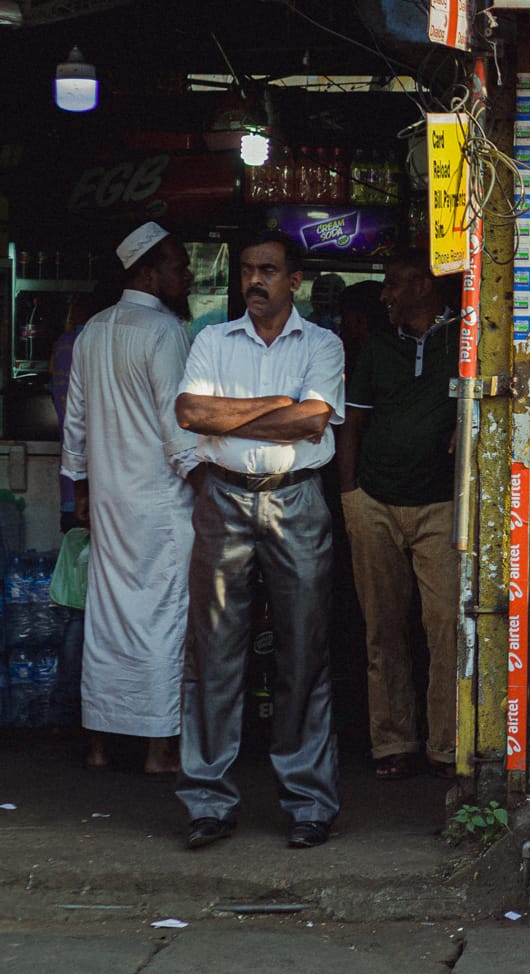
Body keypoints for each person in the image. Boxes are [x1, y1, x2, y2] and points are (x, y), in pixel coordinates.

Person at [174, 231, 345, 850]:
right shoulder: (211, 339)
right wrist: (275, 404)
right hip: (222, 495)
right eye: (247, 269)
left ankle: (308, 801)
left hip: (296, 496)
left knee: (304, 649)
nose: (256, 280)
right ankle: (207, 801)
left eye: (268, 270)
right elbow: (191, 414)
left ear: (293, 279)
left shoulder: (322, 343)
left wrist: (240, 412)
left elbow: (313, 419)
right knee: (214, 651)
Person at [60, 222, 200, 775]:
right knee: (165, 619)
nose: (186, 276)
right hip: (162, 502)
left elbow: (75, 423)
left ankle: (98, 746)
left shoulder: (93, 329)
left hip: (111, 503)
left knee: (108, 618)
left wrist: (83, 491)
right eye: (178, 266)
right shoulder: (164, 333)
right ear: (148, 272)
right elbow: (180, 428)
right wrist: (209, 491)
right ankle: (158, 750)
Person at [336, 249, 460, 781]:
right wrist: (349, 494)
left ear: (424, 286)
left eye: (393, 283)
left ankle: (447, 744)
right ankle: (393, 742)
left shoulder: (466, 341)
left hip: (442, 504)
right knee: (382, 628)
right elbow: (352, 425)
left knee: (447, 625)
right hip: (375, 503)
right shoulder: (378, 347)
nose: (383, 294)